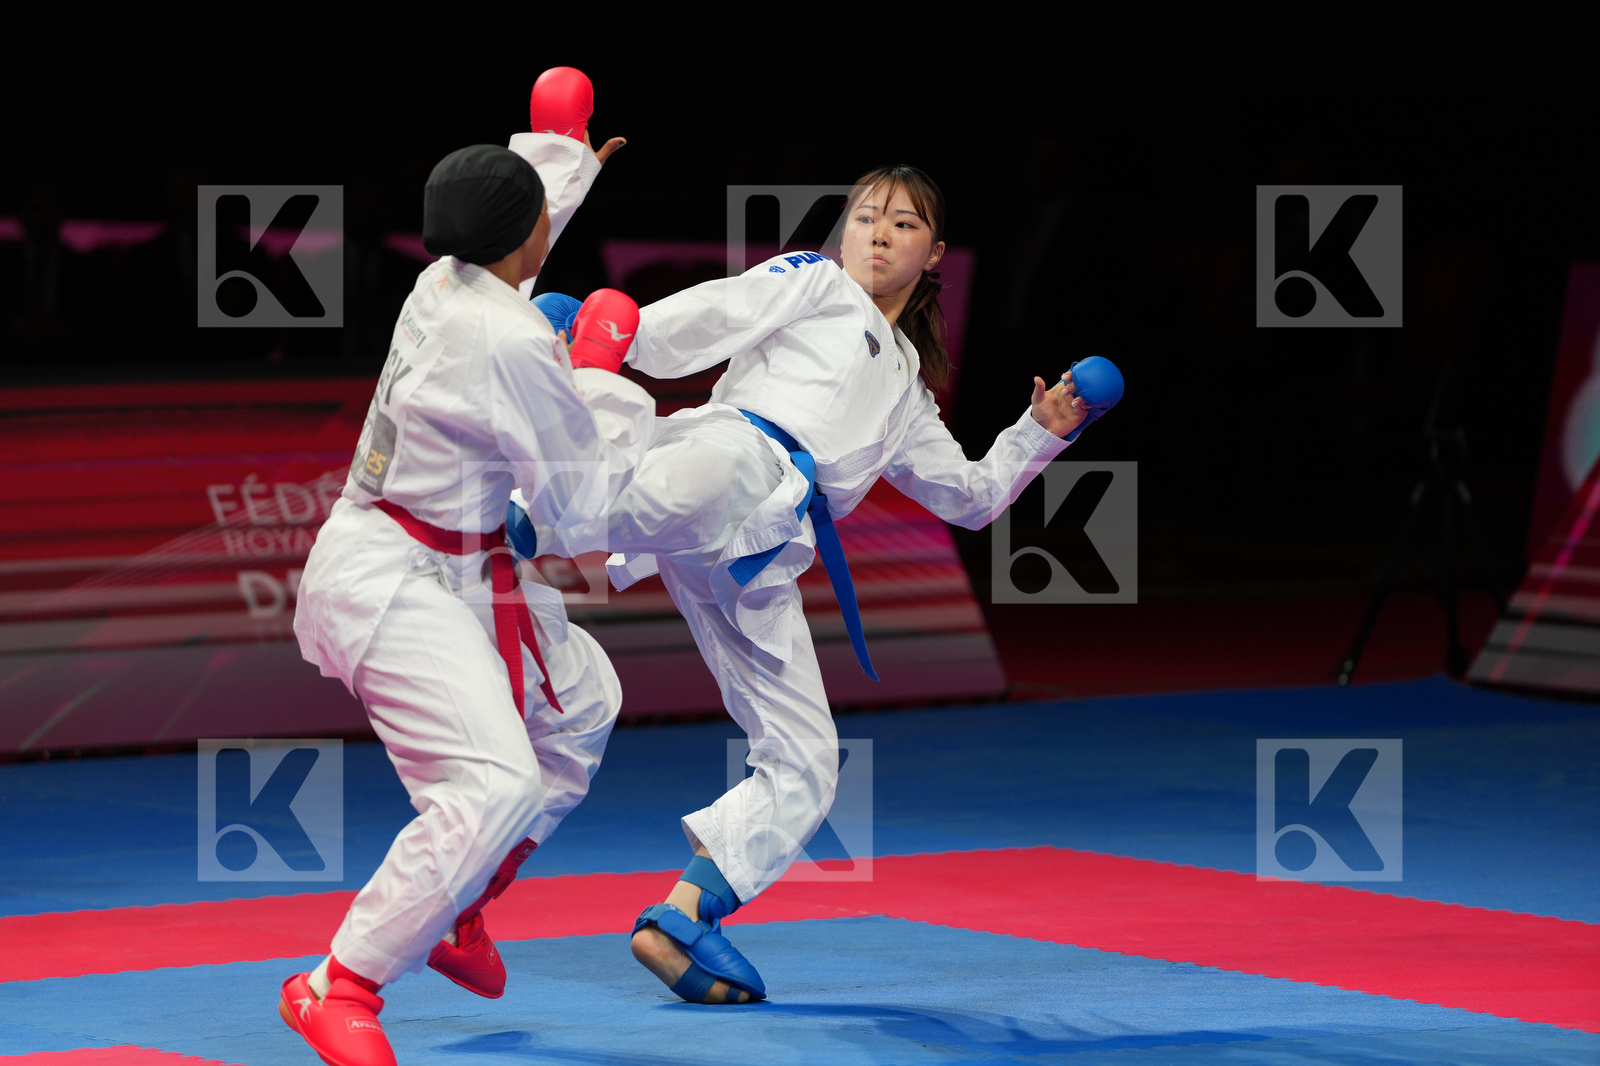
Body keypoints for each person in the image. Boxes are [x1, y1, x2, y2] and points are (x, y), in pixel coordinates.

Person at [597, 164, 1113, 1005]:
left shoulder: (908, 390)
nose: (879, 233)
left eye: (904, 223)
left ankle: (684, 915)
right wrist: (609, 337)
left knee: (807, 763)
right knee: (625, 496)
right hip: (734, 454)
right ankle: (503, 514)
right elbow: (708, 317)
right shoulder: (813, 279)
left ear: (934, 253)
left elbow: (972, 498)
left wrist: (1041, 431)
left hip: (765, 550)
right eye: (867, 217)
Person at [280, 99, 649, 1066]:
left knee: (582, 706)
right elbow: (577, 507)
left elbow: (512, 233)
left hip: (462, 561)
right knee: (492, 782)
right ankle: (337, 983)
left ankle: (460, 907)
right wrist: (600, 375)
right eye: (544, 213)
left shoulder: (439, 279)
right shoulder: (515, 340)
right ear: (523, 231)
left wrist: (563, 154)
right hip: (396, 577)